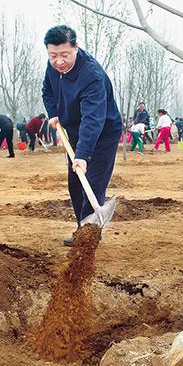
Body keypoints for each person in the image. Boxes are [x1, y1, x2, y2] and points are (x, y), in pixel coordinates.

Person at [41, 25, 122, 246]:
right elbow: (47, 90)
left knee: (92, 183)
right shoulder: (53, 68)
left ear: (75, 47)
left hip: (103, 133)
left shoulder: (91, 76)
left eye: (64, 55)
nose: (59, 61)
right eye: (53, 55)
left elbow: (93, 118)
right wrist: (54, 113)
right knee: (75, 185)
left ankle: (87, 240)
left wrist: (83, 155)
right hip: (74, 132)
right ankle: (83, 229)